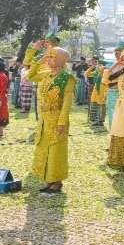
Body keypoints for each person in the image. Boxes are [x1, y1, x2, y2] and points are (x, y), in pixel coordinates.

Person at [26, 46, 75, 194]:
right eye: (49, 56)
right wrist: (40, 59)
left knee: (56, 150)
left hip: (57, 119)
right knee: (44, 149)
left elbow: (67, 103)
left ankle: (56, 182)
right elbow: (30, 75)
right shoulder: (46, 75)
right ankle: (48, 180)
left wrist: (61, 122)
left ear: (60, 60)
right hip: (44, 120)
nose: (49, 59)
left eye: (52, 57)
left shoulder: (67, 78)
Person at [103, 42, 124, 129]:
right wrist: (116, 64)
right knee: (113, 117)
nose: (116, 53)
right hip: (112, 93)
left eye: (119, 51)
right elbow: (105, 80)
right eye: (115, 51)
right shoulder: (110, 65)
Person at [85, 57, 107, 126]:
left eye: (99, 64)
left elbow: (102, 73)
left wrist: (101, 68)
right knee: (94, 103)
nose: (98, 66)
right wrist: (92, 67)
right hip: (96, 89)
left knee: (101, 105)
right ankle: (94, 120)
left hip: (102, 89)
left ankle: (100, 121)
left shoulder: (105, 73)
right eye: (98, 64)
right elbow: (86, 73)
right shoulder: (96, 72)